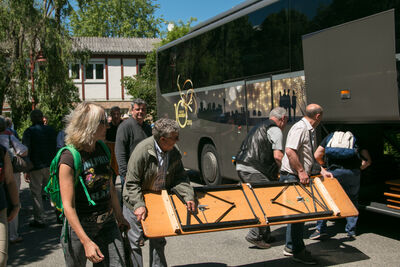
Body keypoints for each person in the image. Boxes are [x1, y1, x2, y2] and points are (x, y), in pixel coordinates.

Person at [59, 102, 129, 266]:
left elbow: (110, 186)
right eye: (103, 121)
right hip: (80, 227)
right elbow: (68, 206)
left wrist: (119, 216)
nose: (108, 125)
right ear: (89, 125)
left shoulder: (103, 148)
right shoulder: (69, 158)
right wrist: (86, 242)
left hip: (107, 221)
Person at [122, 118, 196, 267]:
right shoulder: (142, 151)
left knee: (158, 241)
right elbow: (131, 183)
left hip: (158, 200)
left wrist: (188, 196)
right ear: (162, 139)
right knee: (134, 242)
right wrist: (138, 204)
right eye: (175, 137)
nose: (178, 140)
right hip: (135, 200)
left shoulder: (173, 151)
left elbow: (180, 177)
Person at [280, 103, 331, 265]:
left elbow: (308, 155)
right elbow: (289, 150)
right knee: (299, 215)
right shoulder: (300, 128)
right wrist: (301, 171)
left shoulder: (309, 129)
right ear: (318, 116)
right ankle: (297, 251)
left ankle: (290, 247)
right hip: (292, 176)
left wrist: (322, 170)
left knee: (297, 216)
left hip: (296, 175)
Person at [236, 107, 288, 249]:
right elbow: (278, 156)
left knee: (262, 198)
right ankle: (254, 234)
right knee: (265, 201)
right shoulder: (275, 130)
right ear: (283, 119)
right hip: (255, 168)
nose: (285, 125)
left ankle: (265, 235)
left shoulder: (260, 126)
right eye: (286, 121)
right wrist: (285, 170)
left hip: (243, 165)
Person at [309, 130, 371, 240]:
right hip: (352, 173)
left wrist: (323, 167)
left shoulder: (330, 137)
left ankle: (320, 229)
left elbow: (317, 155)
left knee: (325, 199)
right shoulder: (356, 138)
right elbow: (367, 161)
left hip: (333, 173)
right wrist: (357, 169)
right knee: (352, 199)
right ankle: (351, 230)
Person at [22, 109, 57, 228]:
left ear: (32, 119)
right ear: (42, 118)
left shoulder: (29, 132)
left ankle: (40, 218)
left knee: (36, 193)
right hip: (51, 164)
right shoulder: (51, 130)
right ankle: (60, 213)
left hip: (36, 166)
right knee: (53, 191)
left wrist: (26, 169)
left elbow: (26, 150)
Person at [0, 116, 27, 244]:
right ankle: (13, 234)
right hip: (10, 172)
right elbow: (23, 150)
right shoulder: (9, 136)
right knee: (11, 198)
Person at [115, 98, 152, 188]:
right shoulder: (125, 126)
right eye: (137, 109)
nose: (140, 112)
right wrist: (124, 173)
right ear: (132, 111)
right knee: (128, 200)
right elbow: (120, 151)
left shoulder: (147, 127)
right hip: (130, 174)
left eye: (143, 109)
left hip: (145, 173)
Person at [0, 144, 20, 267]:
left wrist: (16, 204)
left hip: (0, 209)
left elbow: (10, 180)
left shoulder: (2, 151)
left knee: (1, 259)